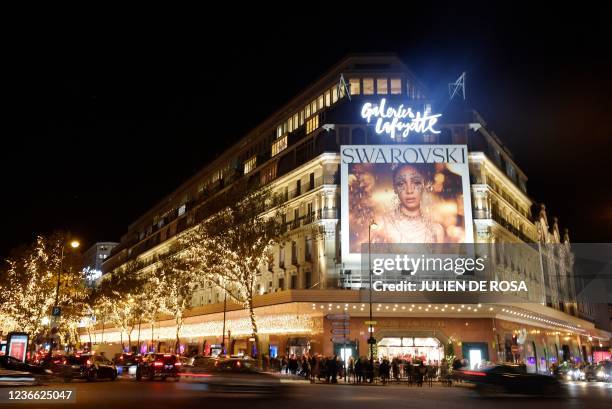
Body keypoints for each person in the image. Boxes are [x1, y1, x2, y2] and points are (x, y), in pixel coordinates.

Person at [375, 164, 445, 244]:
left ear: (424, 185)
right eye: (401, 184)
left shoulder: (436, 230)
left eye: (416, 182)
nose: (409, 190)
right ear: (395, 188)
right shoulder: (382, 224)